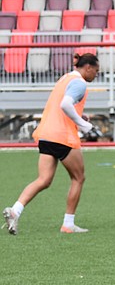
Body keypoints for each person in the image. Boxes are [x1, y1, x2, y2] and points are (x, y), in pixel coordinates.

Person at [2, 52, 100, 235]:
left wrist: (79, 117)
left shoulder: (65, 78)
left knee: (44, 180)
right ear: (88, 68)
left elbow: (61, 106)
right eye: (96, 71)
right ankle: (68, 224)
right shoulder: (80, 82)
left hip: (46, 133)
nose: (96, 75)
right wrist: (83, 124)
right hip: (62, 136)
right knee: (78, 178)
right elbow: (65, 105)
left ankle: (15, 211)